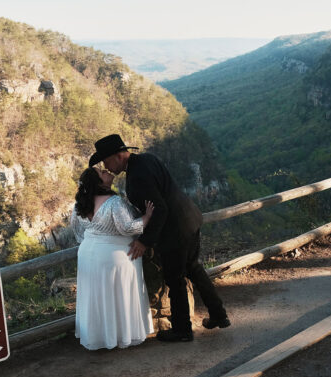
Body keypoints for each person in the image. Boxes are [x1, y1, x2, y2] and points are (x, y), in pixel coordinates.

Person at [89, 134, 229, 342]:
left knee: (175, 279)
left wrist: (144, 241)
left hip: (175, 229)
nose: (107, 167)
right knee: (194, 268)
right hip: (189, 219)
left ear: (119, 155)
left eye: (107, 161)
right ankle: (218, 314)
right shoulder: (146, 159)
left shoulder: (137, 176)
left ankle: (182, 330)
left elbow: (160, 209)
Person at [69, 166, 155, 350]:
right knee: (119, 294)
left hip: (87, 253)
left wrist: (94, 242)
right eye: (102, 172)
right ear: (99, 182)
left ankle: (99, 337)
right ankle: (122, 335)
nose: (107, 172)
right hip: (115, 255)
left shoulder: (79, 205)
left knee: (97, 296)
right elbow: (129, 228)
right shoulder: (114, 202)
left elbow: (76, 230)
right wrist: (147, 216)